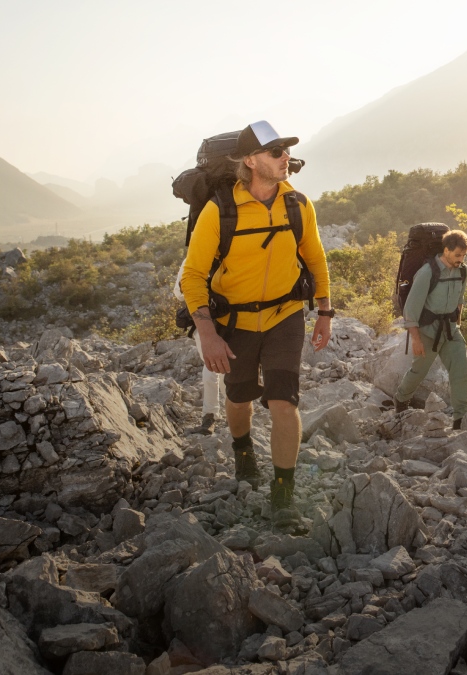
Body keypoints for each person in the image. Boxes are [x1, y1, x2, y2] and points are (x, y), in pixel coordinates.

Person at [181, 121, 332, 532]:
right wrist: (208, 333)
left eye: (285, 150)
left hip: (285, 318)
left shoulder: (298, 204)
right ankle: (243, 450)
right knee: (240, 396)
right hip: (235, 322)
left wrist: (324, 312)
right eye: (275, 151)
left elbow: (315, 258)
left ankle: (283, 498)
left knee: (284, 402)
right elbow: (193, 276)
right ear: (250, 161)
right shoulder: (220, 210)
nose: (285, 157)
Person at [393, 230, 467, 430]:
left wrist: (457, 324)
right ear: (446, 250)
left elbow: (460, 299)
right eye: (457, 255)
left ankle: (459, 419)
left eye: (464, 255)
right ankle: (401, 401)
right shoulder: (428, 272)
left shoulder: (462, 270)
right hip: (428, 331)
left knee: (461, 371)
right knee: (419, 371)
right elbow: (411, 309)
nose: (461, 260)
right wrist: (416, 339)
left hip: (451, 330)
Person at [173, 259, 223, 436]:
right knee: (212, 367)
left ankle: (222, 413)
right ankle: (211, 415)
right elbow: (178, 292)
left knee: (224, 369)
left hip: (230, 320)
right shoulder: (190, 260)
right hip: (203, 322)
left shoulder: (231, 254)